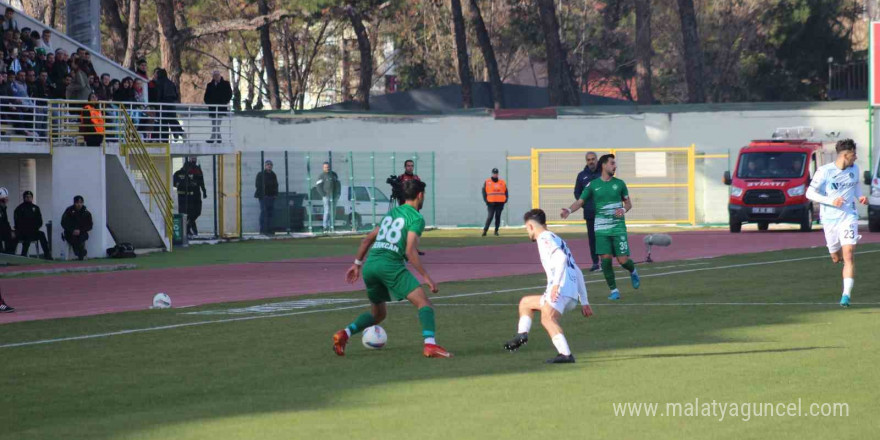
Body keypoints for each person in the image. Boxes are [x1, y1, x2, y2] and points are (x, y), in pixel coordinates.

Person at [332, 179, 451, 358]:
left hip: (370, 266)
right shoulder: (416, 218)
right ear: (420, 195)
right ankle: (430, 345)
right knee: (424, 303)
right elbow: (409, 250)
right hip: (390, 266)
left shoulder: (392, 213)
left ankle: (344, 334)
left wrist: (357, 264)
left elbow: (367, 239)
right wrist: (426, 276)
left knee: (378, 314)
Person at [503, 209, 593, 363]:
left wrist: (556, 285)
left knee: (547, 318)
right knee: (526, 303)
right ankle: (522, 335)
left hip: (561, 289)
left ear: (531, 226)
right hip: (569, 292)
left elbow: (561, 258)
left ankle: (566, 355)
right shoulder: (557, 239)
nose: (527, 233)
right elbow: (577, 270)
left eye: (526, 229)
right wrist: (584, 301)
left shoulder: (544, 238)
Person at [561, 154, 639, 300]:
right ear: (604, 165)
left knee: (622, 261)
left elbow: (628, 204)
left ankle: (633, 270)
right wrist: (569, 210)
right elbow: (580, 201)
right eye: (612, 163)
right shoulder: (593, 185)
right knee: (606, 260)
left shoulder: (620, 184)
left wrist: (623, 209)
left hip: (618, 228)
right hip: (601, 229)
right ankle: (614, 290)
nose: (614, 166)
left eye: (614, 164)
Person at [806, 139, 867, 308]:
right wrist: (831, 200)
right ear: (846, 155)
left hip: (848, 216)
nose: (856, 157)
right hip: (830, 219)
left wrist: (860, 196)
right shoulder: (825, 171)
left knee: (849, 255)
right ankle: (837, 254)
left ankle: (845, 295)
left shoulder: (854, 169)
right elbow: (809, 193)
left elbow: (855, 187)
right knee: (836, 257)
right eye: (854, 154)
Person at [573, 151, 602, 272]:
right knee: (592, 239)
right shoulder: (581, 175)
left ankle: (607, 262)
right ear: (586, 161)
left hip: (603, 212)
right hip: (590, 213)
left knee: (605, 237)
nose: (591, 161)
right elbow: (577, 192)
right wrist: (585, 204)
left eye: (593, 159)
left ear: (597, 160)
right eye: (589, 159)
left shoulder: (603, 173)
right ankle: (595, 263)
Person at [173, 157, 208, 238]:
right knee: (186, 214)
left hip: (195, 195)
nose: (194, 161)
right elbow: (175, 183)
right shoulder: (179, 173)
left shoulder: (197, 170)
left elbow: (201, 181)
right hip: (184, 197)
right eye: (192, 159)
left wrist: (204, 191)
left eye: (195, 159)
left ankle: (188, 228)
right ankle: (189, 231)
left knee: (196, 212)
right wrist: (184, 184)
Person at [14, 190, 51, 259]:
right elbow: (17, 222)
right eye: (27, 197)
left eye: (30, 197)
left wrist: (35, 227)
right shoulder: (19, 209)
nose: (28, 198)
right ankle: (23, 255)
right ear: (24, 198)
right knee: (27, 235)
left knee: (41, 234)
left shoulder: (36, 208)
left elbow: (40, 221)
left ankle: (47, 254)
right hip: (22, 232)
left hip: (33, 231)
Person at [203, 70, 232, 143]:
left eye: (217, 75)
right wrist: (209, 103)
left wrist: (224, 102)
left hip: (221, 108)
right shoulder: (210, 85)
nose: (216, 77)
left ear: (220, 75)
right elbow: (206, 96)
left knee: (217, 124)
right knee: (214, 124)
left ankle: (213, 138)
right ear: (213, 77)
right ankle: (219, 138)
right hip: (212, 108)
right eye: (214, 76)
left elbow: (229, 94)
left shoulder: (225, 84)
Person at [61, 195, 93, 260]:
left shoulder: (86, 213)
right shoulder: (69, 211)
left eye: (81, 203)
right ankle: (80, 252)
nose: (79, 204)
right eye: (77, 203)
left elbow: (90, 225)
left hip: (82, 232)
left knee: (81, 238)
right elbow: (64, 223)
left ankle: (79, 252)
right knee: (72, 238)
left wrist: (80, 230)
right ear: (74, 203)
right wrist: (72, 230)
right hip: (70, 232)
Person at [254, 160, 279, 235]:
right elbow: (257, 185)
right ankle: (263, 230)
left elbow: (276, 185)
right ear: (265, 166)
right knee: (264, 212)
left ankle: (270, 230)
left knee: (270, 213)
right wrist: (263, 194)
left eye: (271, 165)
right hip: (263, 197)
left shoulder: (273, 175)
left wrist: (275, 194)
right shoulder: (260, 174)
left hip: (271, 197)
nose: (269, 166)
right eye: (268, 164)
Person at [482, 167, 508, 236]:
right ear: (492, 174)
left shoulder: (502, 182)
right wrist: (486, 200)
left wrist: (506, 199)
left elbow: (506, 191)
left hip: (500, 203)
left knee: (498, 216)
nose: (495, 175)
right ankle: (485, 230)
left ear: (498, 174)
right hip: (491, 203)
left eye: (496, 173)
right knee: (490, 216)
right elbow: (484, 191)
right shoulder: (487, 182)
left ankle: (496, 231)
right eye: (494, 173)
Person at [316, 162, 341, 231]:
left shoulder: (334, 174)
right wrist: (323, 194)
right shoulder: (321, 176)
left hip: (334, 196)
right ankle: (325, 226)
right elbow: (318, 186)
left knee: (333, 211)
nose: (327, 168)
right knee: (327, 211)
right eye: (325, 167)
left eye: (328, 167)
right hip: (326, 196)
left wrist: (338, 194)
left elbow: (338, 184)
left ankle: (332, 226)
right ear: (323, 168)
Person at [0, 187, 14, 254]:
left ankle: (9, 252)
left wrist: (10, 230)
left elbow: (5, 221)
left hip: (3, 229)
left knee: (10, 234)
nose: (5, 202)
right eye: (3, 200)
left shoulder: (3, 208)